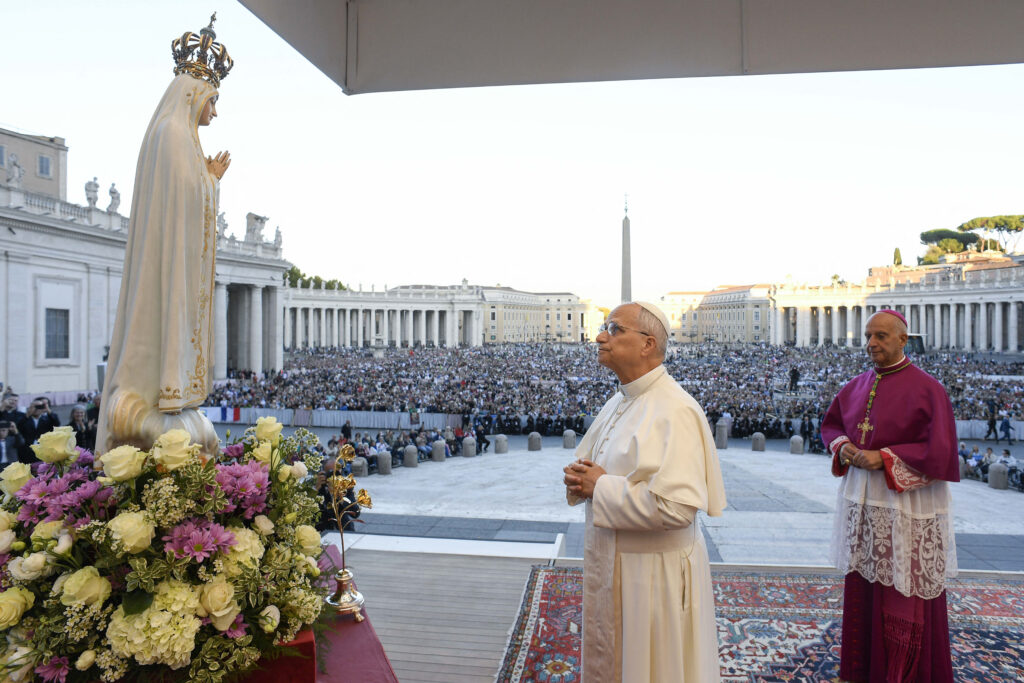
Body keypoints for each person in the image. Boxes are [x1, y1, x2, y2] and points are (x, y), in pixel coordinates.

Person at [562, 301, 725, 682]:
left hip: (652, 579)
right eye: (604, 327)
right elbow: (601, 469)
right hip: (617, 565)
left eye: (615, 329)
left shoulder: (675, 409)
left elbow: (676, 508)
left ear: (648, 344)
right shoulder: (623, 399)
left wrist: (598, 485)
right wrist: (582, 479)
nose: (600, 336)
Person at [96, 15, 232, 455]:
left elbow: (184, 198)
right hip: (170, 264)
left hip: (175, 257)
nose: (215, 110)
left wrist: (207, 179)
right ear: (195, 95)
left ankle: (176, 394)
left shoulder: (177, 135)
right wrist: (209, 182)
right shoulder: (173, 134)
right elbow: (181, 204)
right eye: (213, 100)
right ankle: (168, 390)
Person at [821, 309, 959, 683]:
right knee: (863, 588)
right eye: (868, 336)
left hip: (905, 505)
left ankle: (903, 674)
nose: (871, 344)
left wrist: (882, 457)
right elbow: (831, 424)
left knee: (903, 590)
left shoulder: (930, 389)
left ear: (903, 338)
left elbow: (941, 452)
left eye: (881, 336)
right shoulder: (855, 385)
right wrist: (844, 447)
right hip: (864, 504)